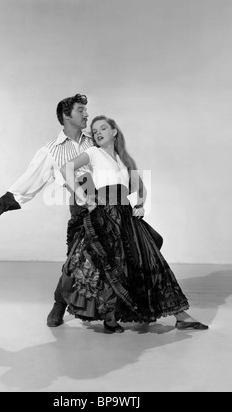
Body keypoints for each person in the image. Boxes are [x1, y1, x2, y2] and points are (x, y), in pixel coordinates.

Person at [0, 93, 164, 327]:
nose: (86, 114)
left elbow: (119, 166)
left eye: (86, 110)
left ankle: (120, 305)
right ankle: (60, 304)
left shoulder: (94, 140)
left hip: (109, 204)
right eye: (80, 110)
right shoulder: (51, 149)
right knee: (75, 260)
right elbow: (32, 178)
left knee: (122, 253)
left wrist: (135, 198)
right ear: (66, 116)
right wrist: (4, 202)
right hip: (81, 206)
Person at [59, 115, 209, 332]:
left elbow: (141, 188)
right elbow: (66, 169)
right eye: (95, 130)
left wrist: (140, 204)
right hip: (105, 215)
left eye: (103, 128)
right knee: (111, 266)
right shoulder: (93, 153)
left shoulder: (124, 160)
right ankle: (110, 319)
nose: (98, 132)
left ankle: (181, 316)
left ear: (114, 132)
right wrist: (85, 198)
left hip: (127, 217)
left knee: (150, 262)